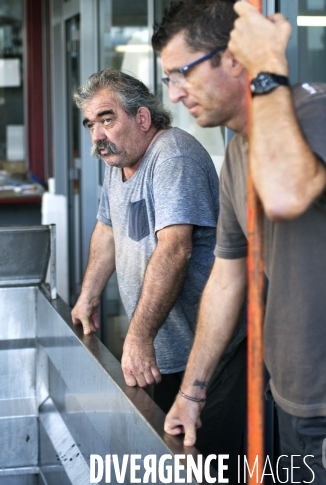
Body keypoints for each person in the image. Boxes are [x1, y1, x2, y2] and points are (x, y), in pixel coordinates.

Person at [153, 0, 326, 482]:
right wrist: (192, 393)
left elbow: (285, 196)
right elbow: (226, 278)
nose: (174, 93)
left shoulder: (320, 109)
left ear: (233, 59)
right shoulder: (238, 152)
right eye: (167, 78)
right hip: (287, 393)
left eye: (183, 73)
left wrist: (268, 66)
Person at [71, 68, 246, 462]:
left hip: (206, 355)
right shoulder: (118, 161)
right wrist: (88, 297)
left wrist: (137, 337)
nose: (97, 135)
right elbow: (107, 229)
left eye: (107, 119)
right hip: (164, 352)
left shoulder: (172, 156)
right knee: (166, 460)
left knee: (205, 464)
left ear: (143, 118)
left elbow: (175, 249)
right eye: (90, 124)